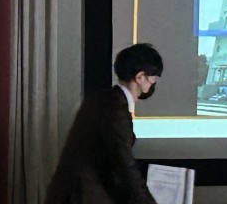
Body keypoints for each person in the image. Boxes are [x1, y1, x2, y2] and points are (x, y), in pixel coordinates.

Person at [45, 43, 163, 204]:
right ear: (140, 77)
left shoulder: (102, 99)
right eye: (153, 76)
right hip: (85, 197)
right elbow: (124, 167)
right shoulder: (115, 110)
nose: (154, 82)